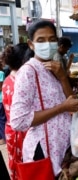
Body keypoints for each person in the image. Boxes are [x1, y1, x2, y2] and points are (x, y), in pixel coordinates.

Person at [10, 20, 78, 178]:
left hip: (61, 146)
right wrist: (61, 107)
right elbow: (18, 121)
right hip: (44, 150)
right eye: (41, 40)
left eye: (52, 39)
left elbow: (73, 103)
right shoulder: (28, 72)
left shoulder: (54, 68)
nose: (47, 44)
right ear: (31, 44)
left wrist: (63, 77)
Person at [1, 43, 33, 179]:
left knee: (20, 169)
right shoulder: (22, 82)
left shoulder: (8, 79)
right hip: (23, 133)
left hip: (11, 132)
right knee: (30, 169)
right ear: (24, 61)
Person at [0, 62, 6, 145]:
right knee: (1, 120)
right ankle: (2, 137)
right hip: (0, 100)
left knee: (1, 119)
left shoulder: (1, 73)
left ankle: (3, 138)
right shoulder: (1, 73)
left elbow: (1, 86)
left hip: (0, 100)